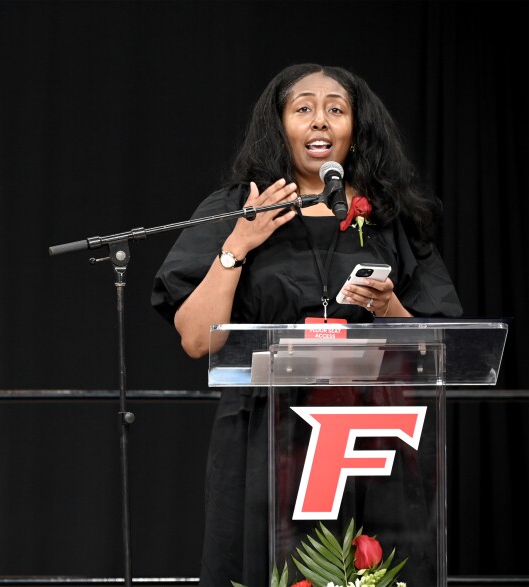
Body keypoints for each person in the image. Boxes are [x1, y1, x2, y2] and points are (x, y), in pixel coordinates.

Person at [151, 64, 462, 585]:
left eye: (335, 109)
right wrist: (237, 246)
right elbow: (195, 338)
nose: (320, 122)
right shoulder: (234, 209)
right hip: (263, 439)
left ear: (356, 130)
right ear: (280, 125)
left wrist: (389, 311)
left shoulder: (391, 217)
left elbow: (443, 346)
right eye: (304, 109)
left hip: (369, 438)